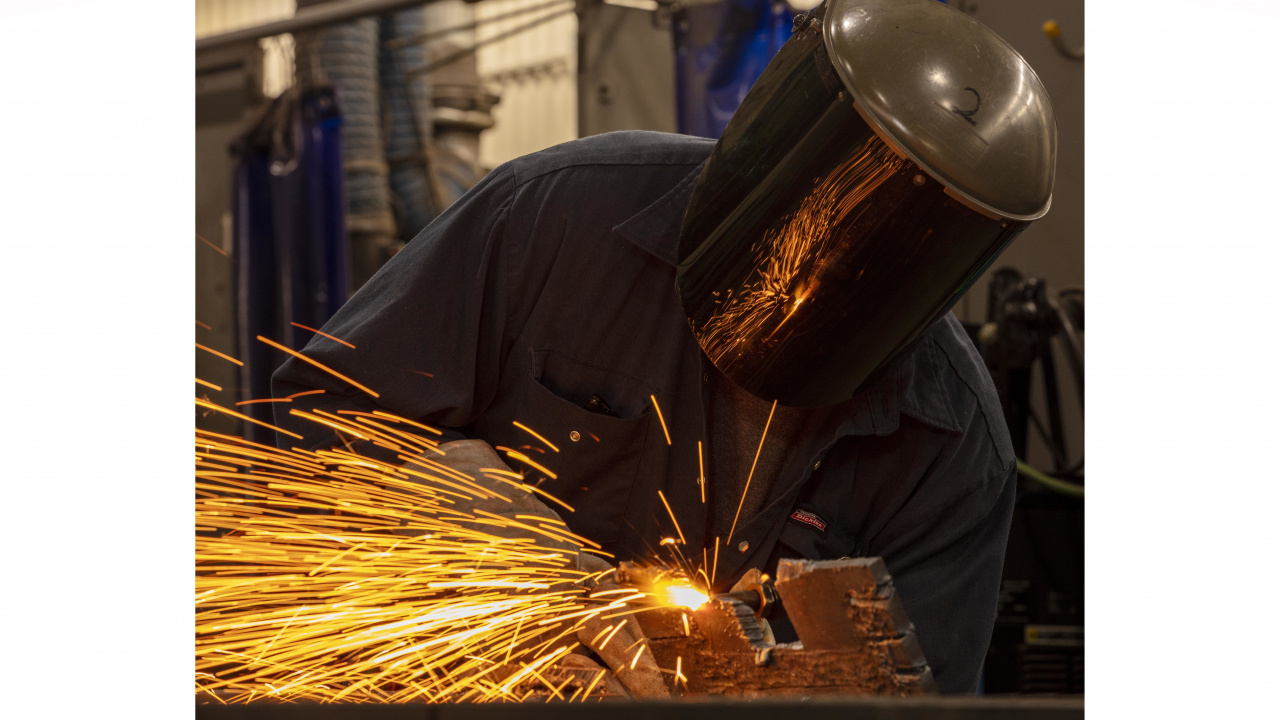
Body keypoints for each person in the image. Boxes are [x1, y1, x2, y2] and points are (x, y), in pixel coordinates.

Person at [272, 0, 1056, 695]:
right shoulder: (554, 221)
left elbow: (919, 692)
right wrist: (474, 518)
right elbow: (311, 421)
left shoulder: (949, 441)